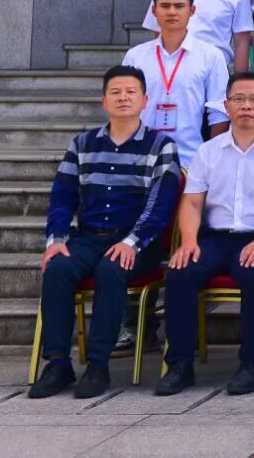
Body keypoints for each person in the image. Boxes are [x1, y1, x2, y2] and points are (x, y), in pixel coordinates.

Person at [29, 66, 181, 400]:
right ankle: (58, 363)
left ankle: (98, 365)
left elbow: (160, 206)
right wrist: (56, 240)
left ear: (145, 100)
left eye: (131, 92)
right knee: (57, 269)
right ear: (104, 100)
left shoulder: (161, 146)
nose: (123, 97)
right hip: (88, 237)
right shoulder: (82, 144)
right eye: (115, 92)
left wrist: (131, 242)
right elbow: (63, 197)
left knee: (111, 269)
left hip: (138, 243)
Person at [158, 71, 254, 397]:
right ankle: (179, 365)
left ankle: (251, 364)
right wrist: (189, 241)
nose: (246, 106)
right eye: (239, 99)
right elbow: (192, 202)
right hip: (214, 239)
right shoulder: (208, 151)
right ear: (226, 106)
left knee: (253, 273)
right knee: (180, 272)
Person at [122, 0, 229, 167]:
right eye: (165, 6)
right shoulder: (135, 56)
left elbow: (218, 112)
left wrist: (213, 161)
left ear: (192, 10)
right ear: (154, 11)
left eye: (179, 6)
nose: (172, 12)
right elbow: (123, 108)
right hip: (140, 159)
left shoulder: (211, 56)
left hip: (190, 160)